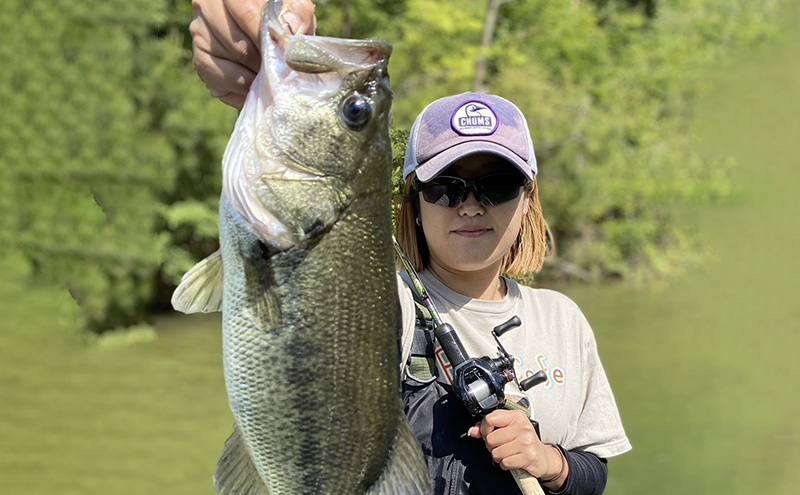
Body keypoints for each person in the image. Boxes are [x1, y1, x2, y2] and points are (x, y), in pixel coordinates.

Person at [190, 1, 631, 494]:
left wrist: (548, 461)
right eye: (445, 186)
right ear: (414, 203)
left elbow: (595, 471)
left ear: (529, 200)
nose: (469, 206)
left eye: (498, 184)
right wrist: (258, 75)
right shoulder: (381, 300)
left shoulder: (563, 320)